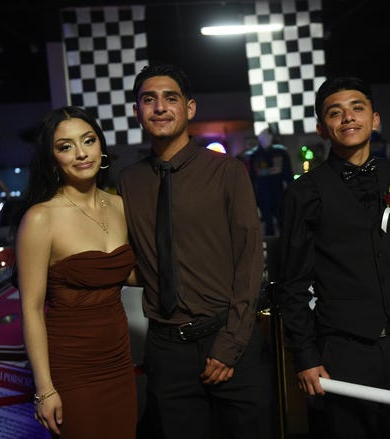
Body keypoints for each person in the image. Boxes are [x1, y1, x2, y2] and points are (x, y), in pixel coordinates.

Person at [117, 64, 272, 439]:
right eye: (148, 99)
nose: (159, 107)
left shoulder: (227, 171)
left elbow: (250, 261)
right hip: (166, 348)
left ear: (189, 109)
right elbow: (130, 257)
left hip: (228, 337)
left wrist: (230, 344)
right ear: (137, 112)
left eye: (170, 98)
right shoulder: (128, 180)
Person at [277, 76, 390, 439]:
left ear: (375, 120)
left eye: (357, 108)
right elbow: (292, 285)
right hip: (343, 352)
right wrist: (306, 356)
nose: (347, 117)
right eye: (335, 112)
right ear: (322, 128)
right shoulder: (303, 193)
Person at [14, 106, 136, 438]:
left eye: (88, 140)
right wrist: (45, 389)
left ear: (101, 146)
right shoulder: (41, 218)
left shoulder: (120, 206)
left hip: (119, 361)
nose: (81, 153)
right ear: (52, 158)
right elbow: (31, 308)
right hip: (71, 368)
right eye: (65, 146)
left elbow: (124, 273)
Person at [247, 127, 294, 236]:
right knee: (267, 222)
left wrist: (291, 192)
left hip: (279, 192)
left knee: (282, 220)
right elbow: (251, 178)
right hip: (263, 194)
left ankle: (286, 245)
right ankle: (271, 246)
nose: (267, 138)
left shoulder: (280, 153)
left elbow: (288, 175)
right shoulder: (255, 156)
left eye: (269, 135)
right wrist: (252, 197)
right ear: (259, 138)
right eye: (264, 136)